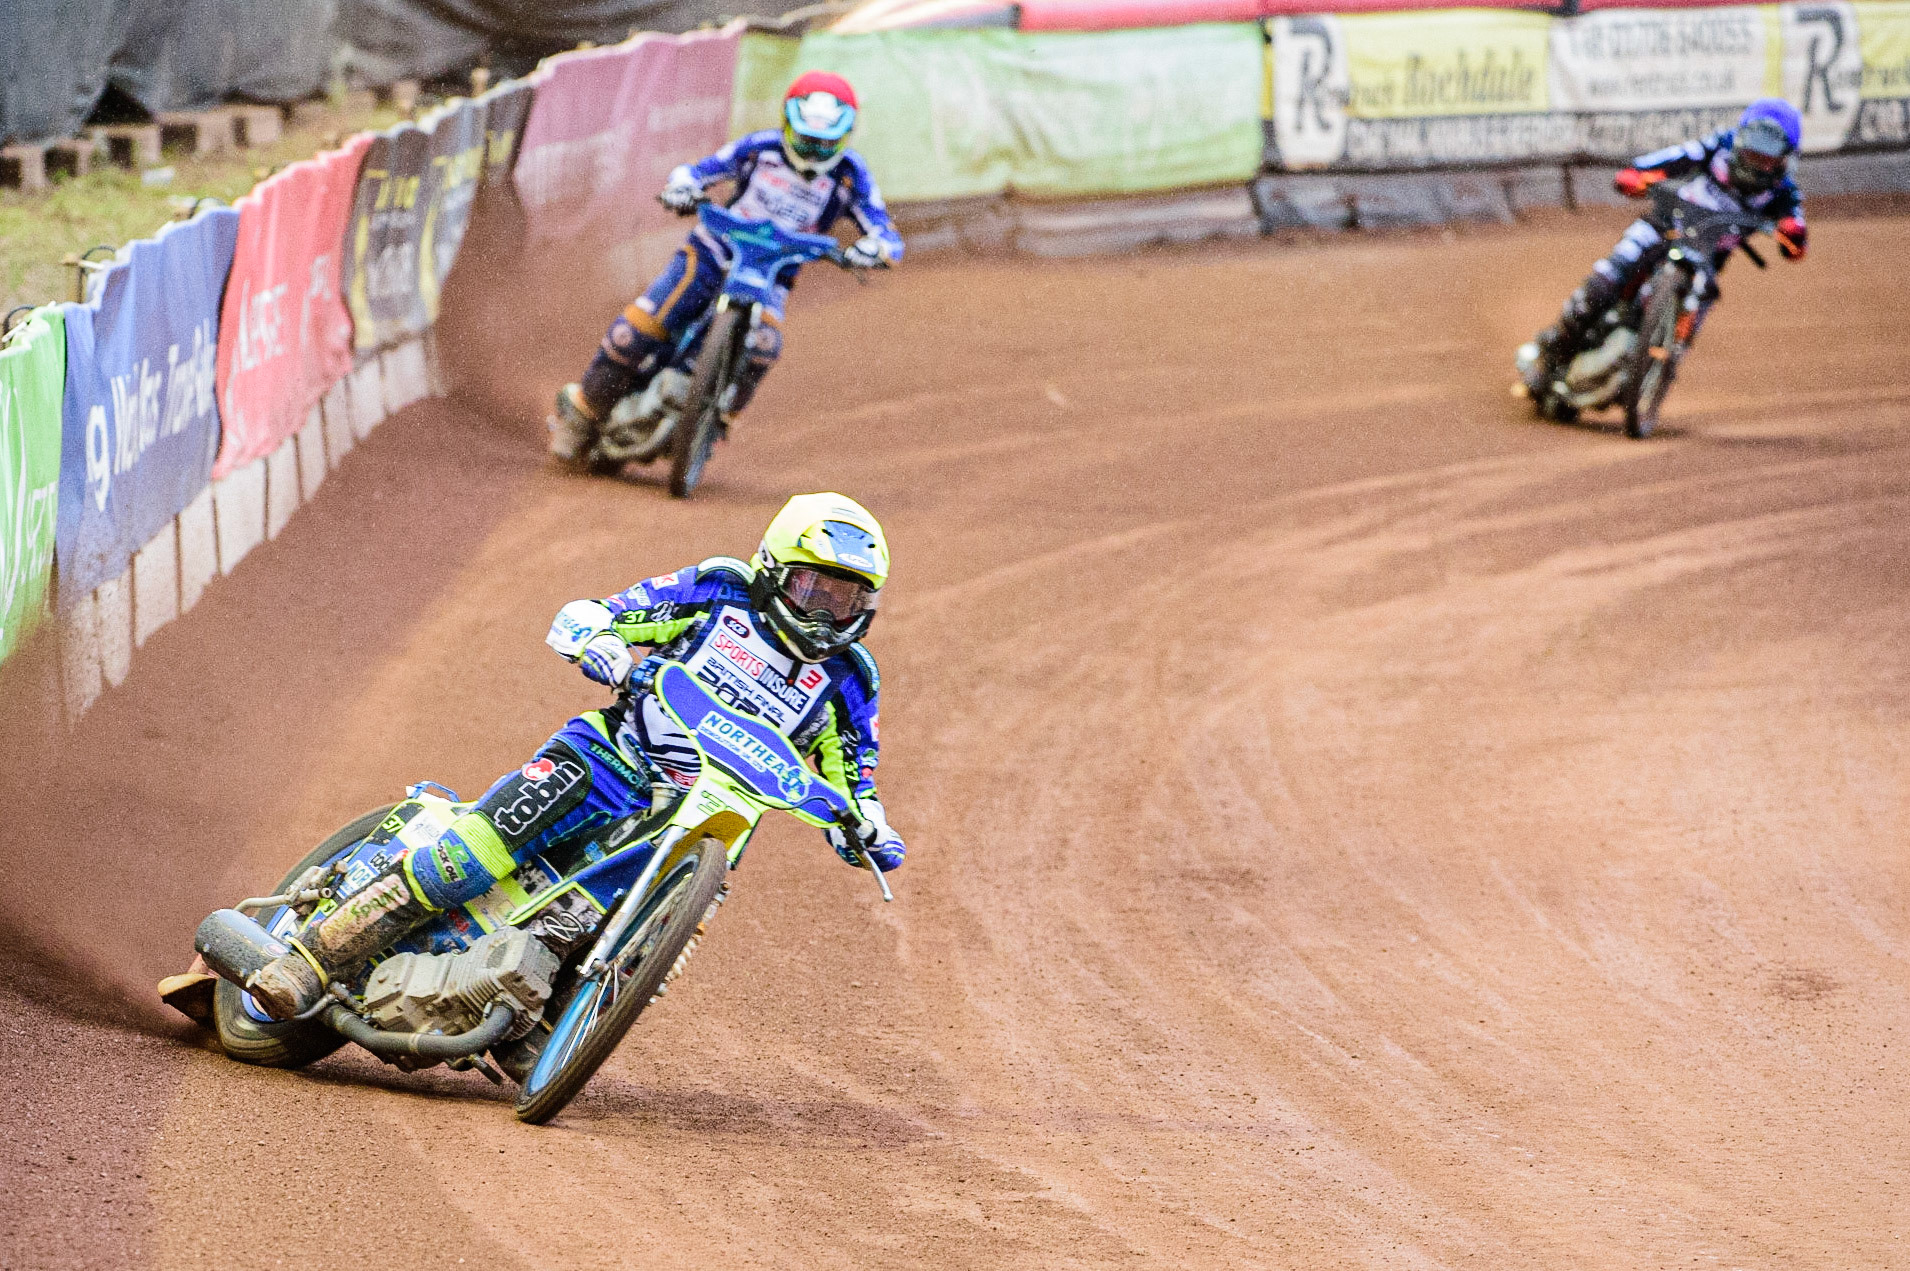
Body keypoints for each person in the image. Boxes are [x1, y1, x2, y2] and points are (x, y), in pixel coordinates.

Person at [245, 493, 907, 1022]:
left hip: (704, 824)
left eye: (847, 598)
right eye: (815, 590)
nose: (827, 613)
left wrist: (870, 829)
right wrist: (599, 640)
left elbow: (855, 776)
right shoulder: (720, 589)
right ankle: (311, 959)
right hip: (610, 759)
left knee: (647, 947)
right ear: (772, 569)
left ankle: (558, 1025)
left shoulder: (851, 678)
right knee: (471, 856)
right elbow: (605, 612)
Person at [548, 72, 905, 464]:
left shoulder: (852, 174)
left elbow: (883, 230)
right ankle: (582, 412)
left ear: (847, 135)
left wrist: (876, 250)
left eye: (827, 143)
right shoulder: (760, 148)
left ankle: (719, 421)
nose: (815, 152)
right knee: (635, 331)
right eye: (806, 140)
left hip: (774, 271)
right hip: (713, 250)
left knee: (765, 346)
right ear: (787, 124)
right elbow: (698, 171)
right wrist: (682, 187)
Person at [1526, 98, 1808, 388]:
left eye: (1766, 157)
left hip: (1708, 256)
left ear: (1785, 158)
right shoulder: (1715, 148)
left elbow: (1797, 240)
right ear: (1739, 140)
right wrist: (1637, 173)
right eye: (1751, 152)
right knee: (1605, 282)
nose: (1756, 162)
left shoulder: (1784, 192)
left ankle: (1662, 368)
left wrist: (1792, 235)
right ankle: (1550, 355)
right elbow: (1669, 158)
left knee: (1703, 299)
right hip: (1661, 228)